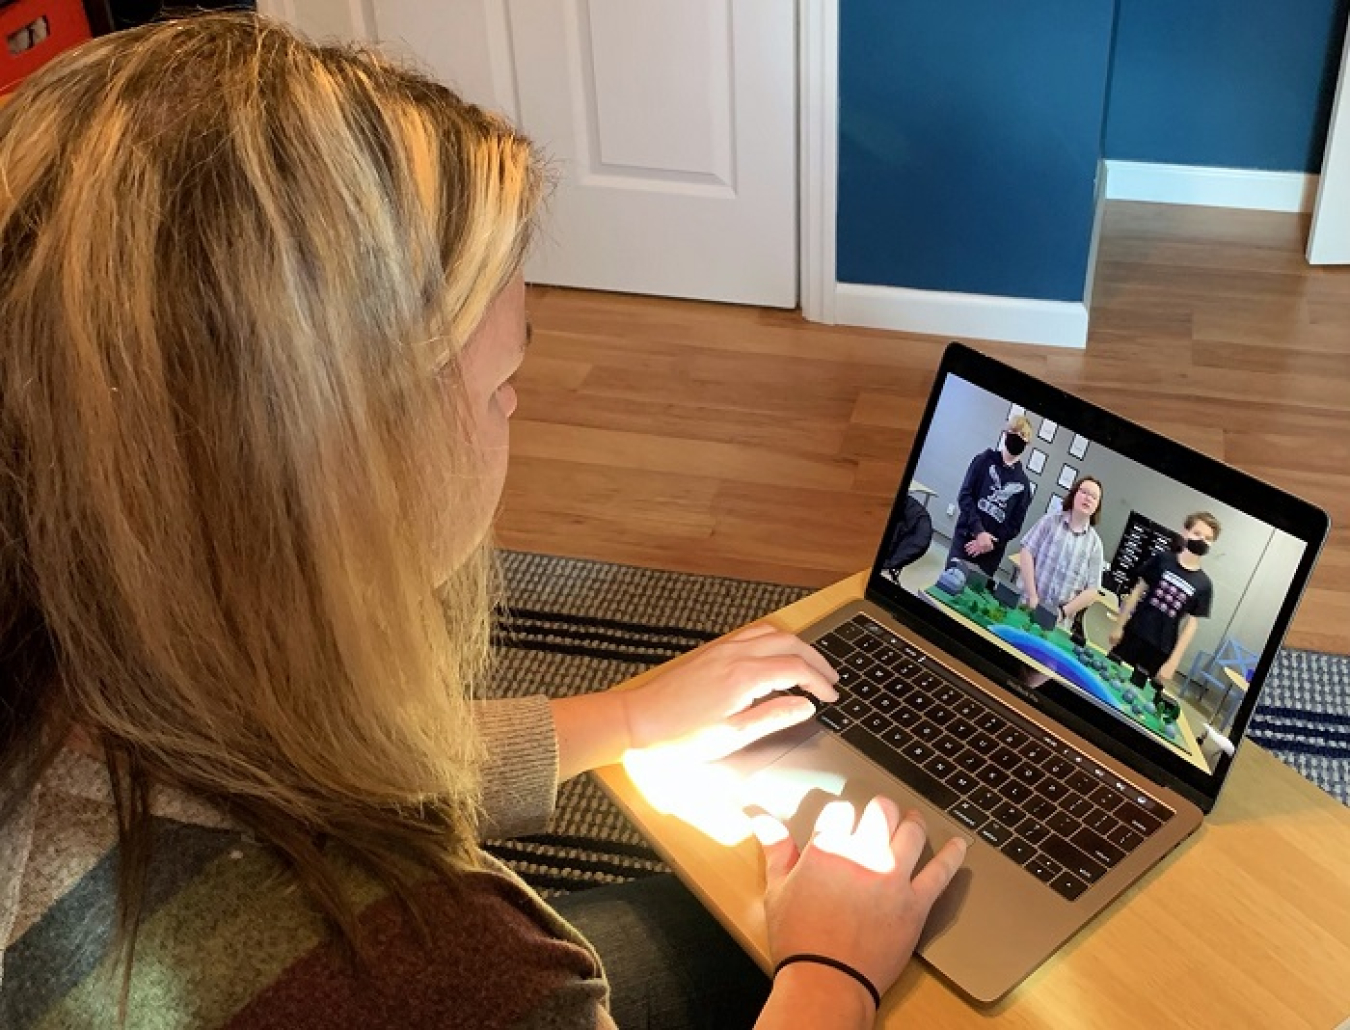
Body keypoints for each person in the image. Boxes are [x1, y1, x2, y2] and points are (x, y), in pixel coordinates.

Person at [0, 15, 966, 1030]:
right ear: (343, 459)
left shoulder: (88, 657)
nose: (518, 407)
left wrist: (628, 716)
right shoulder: (447, 969)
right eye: (505, 379)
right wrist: (830, 973)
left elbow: (326, 760)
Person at [1108, 513, 1221, 699]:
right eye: (1197, 533)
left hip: (1161, 649)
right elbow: (1136, 592)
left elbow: (1191, 625)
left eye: (1208, 538)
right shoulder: (1162, 560)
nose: (1201, 540)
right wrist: (1119, 625)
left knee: (1137, 697)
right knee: (1109, 677)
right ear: (1185, 532)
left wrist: (1173, 662)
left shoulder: (1204, 585)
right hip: (1134, 634)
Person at [947, 416, 1034, 576]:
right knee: (948, 585)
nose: (1017, 437)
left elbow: (1014, 526)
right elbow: (965, 496)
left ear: (1027, 443)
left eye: (1023, 435)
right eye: (1014, 431)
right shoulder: (983, 460)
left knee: (973, 596)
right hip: (965, 540)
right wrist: (979, 532)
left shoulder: (1024, 486)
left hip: (990, 552)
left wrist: (989, 542)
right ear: (1005, 433)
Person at [1017, 476, 1106, 624]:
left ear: (1097, 506)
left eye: (1094, 497)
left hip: (1058, 621)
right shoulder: (1050, 521)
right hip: (1026, 604)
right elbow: (1027, 552)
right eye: (1084, 492)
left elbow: (1092, 590)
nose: (1088, 498)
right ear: (1074, 494)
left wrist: (1062, 613)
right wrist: (1032, 596)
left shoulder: (1095, 545)